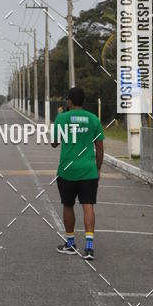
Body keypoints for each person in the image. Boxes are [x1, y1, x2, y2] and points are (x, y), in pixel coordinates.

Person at [52, 86, 104, 261]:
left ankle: (71, 242)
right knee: (88, 205)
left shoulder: (62, 118)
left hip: (67, 170)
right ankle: (89, 247)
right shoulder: (93, 119)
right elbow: (99, 146)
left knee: (68, 205)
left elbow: (54, 143)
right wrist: (98, 168)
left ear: (69, 101)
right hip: (88, 170)